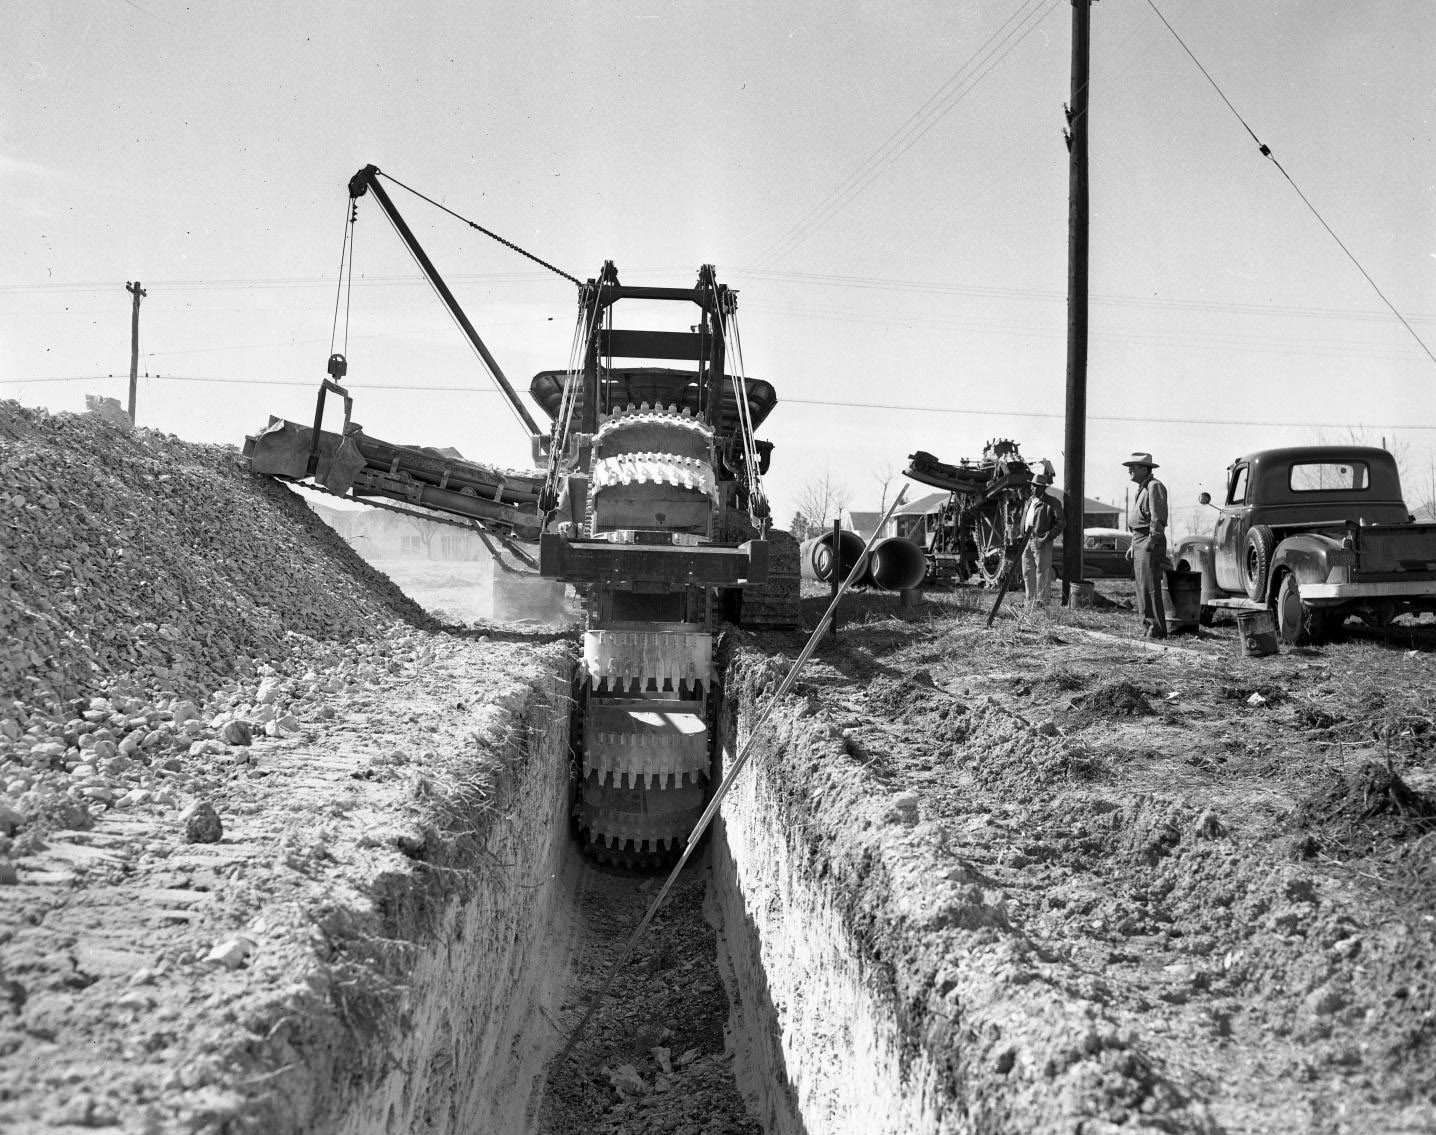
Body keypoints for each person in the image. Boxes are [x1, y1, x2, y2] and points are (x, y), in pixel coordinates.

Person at [1123, 452, 1169, 638]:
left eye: (1133, 467)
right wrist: (1134, 545)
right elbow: (1140, 520)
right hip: (1139, 540)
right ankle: (1148, 626)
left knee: (1150, 586)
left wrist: (1151, 542)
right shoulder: (1142, 488)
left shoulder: (1154, 486)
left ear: (1144, 468)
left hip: (1149, 542)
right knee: (1141, 586)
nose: (1129, 470)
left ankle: (1156, 628)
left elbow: (1158, 519)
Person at [1020, 472, 1065, 609]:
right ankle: (1030, 602)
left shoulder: (1052, 502)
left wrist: (1045, 538)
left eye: (1038, 486)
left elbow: (1061, 523)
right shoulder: (1029, 501)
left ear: (1043, 488)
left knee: (1042, 572)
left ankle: (1042, 603)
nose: (1035, 488)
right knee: (1027, 571)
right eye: (1033, 485)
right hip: (1027, 540)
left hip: (1041, 542)